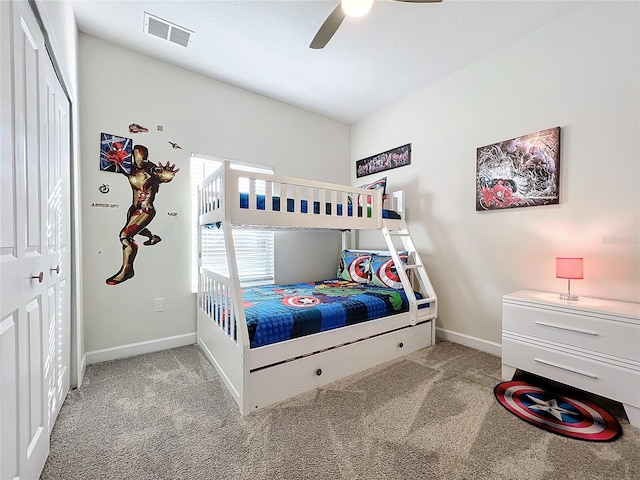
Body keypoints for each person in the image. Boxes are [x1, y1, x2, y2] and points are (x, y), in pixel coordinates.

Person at [106, 144, 179, 285]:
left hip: (146, 210)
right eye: (138, 157)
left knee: (125, 235)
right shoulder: (130, 168)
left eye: (143, 157)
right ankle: (152, 237)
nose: (141, 160)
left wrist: (168, 174)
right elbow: (114, 163)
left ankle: (127, 270)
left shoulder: (151, 170)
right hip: (133, 208)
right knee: (135, 229)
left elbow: (164, 176)